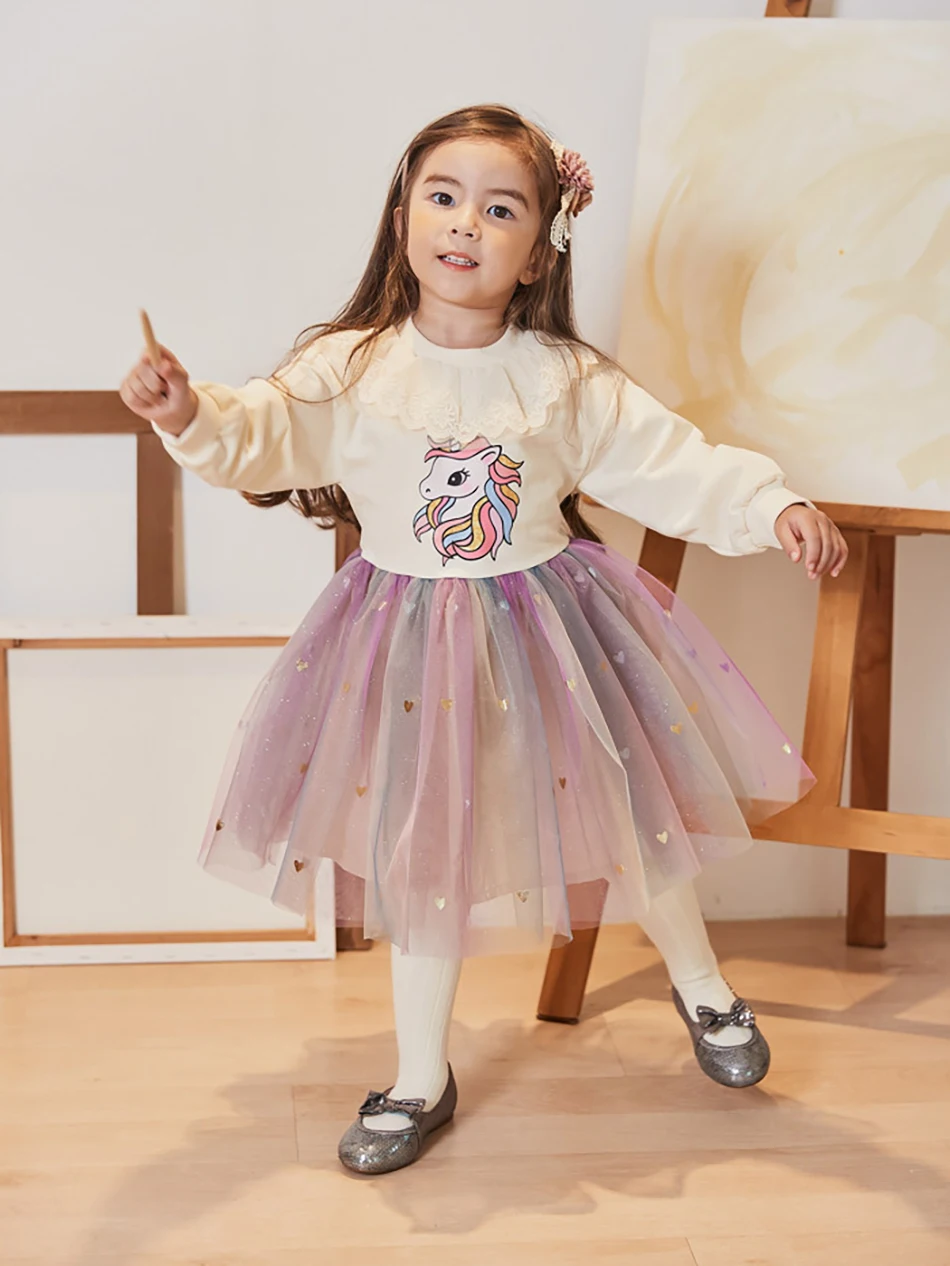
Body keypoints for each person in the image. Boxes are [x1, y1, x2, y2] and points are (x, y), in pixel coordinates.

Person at [120, 104, 848, 1176]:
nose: (465, 222)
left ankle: (702, 987)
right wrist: (188, 413)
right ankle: (421, 1076)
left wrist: (767, 505)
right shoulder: (349, 367)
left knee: (630, 811)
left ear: (539, 250)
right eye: (443, 196)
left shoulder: (564, 378)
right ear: (403, 217)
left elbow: (672, 462)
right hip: (406, 647)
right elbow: (261, 434)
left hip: (549, 634)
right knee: (423, 851)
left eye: (501, 209)